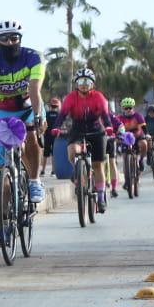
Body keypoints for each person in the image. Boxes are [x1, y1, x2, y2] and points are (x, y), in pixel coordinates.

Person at [0, 20, 46, 219]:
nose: (9, 42)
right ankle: (4, 216)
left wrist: (39, 116)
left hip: (28, 106)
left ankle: (34, 181)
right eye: (4, 39)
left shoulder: (34, 57)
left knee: (32, 136)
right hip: (4, 110)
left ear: (20, 39)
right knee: (1, 171)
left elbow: (34, 88)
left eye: (14, 38)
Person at [58, 67, 112, 212]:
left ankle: (100, 197)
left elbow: (105, 115)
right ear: (76, 84)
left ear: (92, 84)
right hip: (78, 130)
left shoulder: (98, 97)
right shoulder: (70, 97)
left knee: (97, 165)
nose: (84, 84)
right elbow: (62, 114)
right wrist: (57, 127)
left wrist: (108, 127)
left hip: (96, 131)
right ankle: (78, 171)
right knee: (72, 151)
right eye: (81, 81)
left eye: (87, 82)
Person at [40, 96, 63, 176]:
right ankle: (53, 171)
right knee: (54, 154)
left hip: (47, 136)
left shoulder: (46, 114)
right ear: (57, 106)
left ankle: (42, 171)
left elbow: (43, 124)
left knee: (45, 154)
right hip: (55, 137)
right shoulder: (59, 115)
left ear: (50, 106)